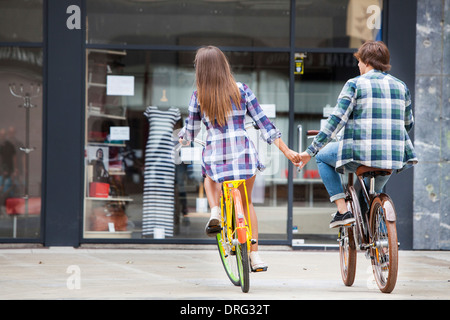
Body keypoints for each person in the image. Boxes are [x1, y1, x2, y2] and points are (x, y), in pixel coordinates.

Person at [178, 45, 300, 271]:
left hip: (216, 157)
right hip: (243, 157)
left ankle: (214, 210)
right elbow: (265, 125)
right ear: (224, 65)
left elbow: (191, 131)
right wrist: (287, 151)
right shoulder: (242, 90)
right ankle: (255, 256)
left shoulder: (199, 96)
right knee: (247, 202)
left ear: (201, 70)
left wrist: (183, 138)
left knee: (208, 174)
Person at [298, 41, 418, 228]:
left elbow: (336, 121)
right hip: (391, 157)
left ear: (367, 62)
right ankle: (381, 243)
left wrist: (310, 151)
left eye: (359, 62)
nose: (358, 66)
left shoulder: (355, 84)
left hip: (359, 154)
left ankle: (342, 211)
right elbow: (408, 124)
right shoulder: (401, 86)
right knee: (372, 195)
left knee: (321, 156)